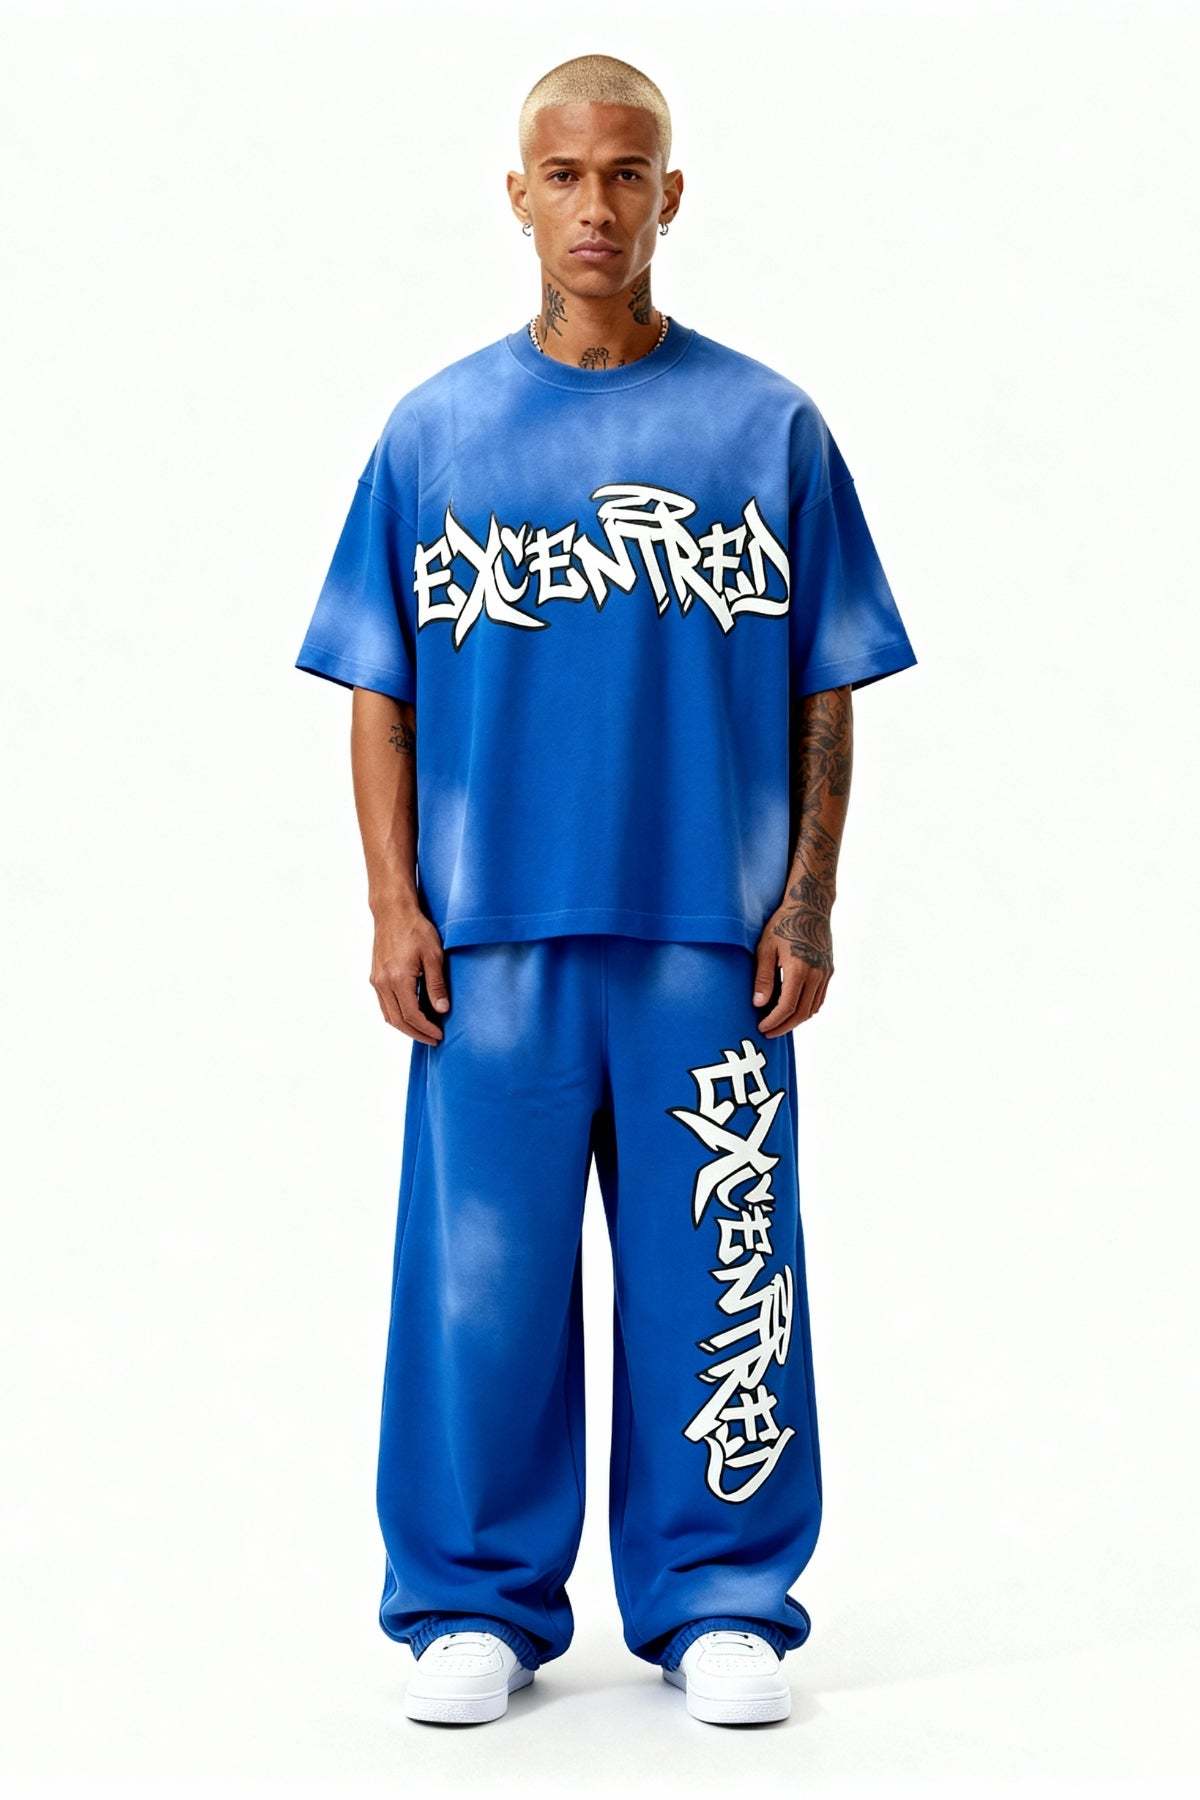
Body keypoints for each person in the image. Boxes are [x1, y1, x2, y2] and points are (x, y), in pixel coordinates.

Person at [295, 53, 917, 1729]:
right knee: (478, 1293)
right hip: (490, 939)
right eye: (564, 174)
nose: (596, 204)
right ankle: (471, 1604)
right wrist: (391, 906)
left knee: (723, 1284)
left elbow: (825, 677)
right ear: (518, 196)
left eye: (626, 173)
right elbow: (379, 688)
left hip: (709, 941)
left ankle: (720, 1599)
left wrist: (808, 899)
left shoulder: (766, 427)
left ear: (671, 195)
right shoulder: (437, 432)